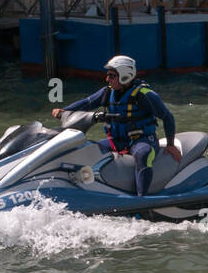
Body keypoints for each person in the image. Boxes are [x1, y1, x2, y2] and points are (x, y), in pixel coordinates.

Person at [51, 55, 179, 196]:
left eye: (112, 76)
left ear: (125, 76)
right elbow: (87, 103)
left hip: (142, 139)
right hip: (117, 142)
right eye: (108, 76)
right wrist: (65, 111)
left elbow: (168, 117)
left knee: (143, 155)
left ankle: (142, 199)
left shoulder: (145, 95)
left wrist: (170, 144)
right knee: (88, 149)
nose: (107, 79)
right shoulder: (107, 92)